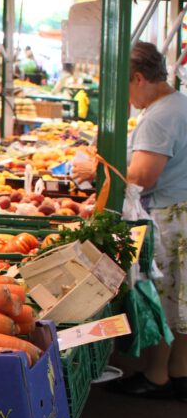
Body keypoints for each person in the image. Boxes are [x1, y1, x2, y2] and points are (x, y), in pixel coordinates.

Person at [69, 43, 187, 398]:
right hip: (179, 211)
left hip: (170, 218)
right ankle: (179, 373)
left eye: (123, 87)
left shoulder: (161, 115)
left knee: (164, 298)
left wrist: (96, 170)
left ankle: (156, 376)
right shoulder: (178, 103)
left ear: (138, 78)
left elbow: (143, 175)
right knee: (179, 299)